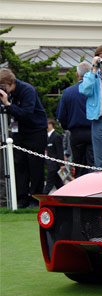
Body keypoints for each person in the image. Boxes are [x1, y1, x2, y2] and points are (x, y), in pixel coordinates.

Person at [0, 68, 47, 208]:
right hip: (19, 133)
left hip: (35, 131)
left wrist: (8, 104)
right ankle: (21, 198)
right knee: (19, 165)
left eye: (3, 86)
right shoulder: (6, 94)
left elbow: (26, 113)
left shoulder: (27, 90)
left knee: (35, 165)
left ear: (10, 83)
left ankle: (35, 198)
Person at [57, 61, 94, 178]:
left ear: (77, 75)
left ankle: (81, 192)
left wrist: (66, 127)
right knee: (93, 164)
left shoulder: (68, 92)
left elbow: (61, 115)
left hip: (76, 132)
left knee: (79, 164)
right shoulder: (95, 91)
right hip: (93, 130)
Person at [43, 119, 65, 194]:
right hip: (50, 163)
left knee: (49, 182)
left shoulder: (56, 136)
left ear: (51, 125)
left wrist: (61, 164)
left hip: (54, 164)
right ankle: (64, 195)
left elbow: (59, 150)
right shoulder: (48, 136)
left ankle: (43, 197)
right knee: (58, 183)